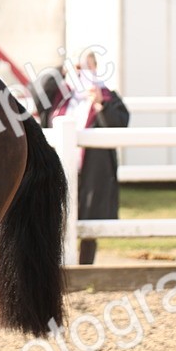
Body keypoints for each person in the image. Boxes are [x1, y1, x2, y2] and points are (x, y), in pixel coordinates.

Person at [52, 50, 128, 265]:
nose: (82, 72)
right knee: (56, 219)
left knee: (89, 220)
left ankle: (85, 266)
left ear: (96, 69)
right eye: (78, 67)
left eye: (87, 67)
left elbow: (118, 127)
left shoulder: (109, 97)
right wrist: (62, 70)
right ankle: (59, 266)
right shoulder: (60, 96)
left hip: (93, 172)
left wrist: (100, 104)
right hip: (59, 170)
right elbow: (38, 89)